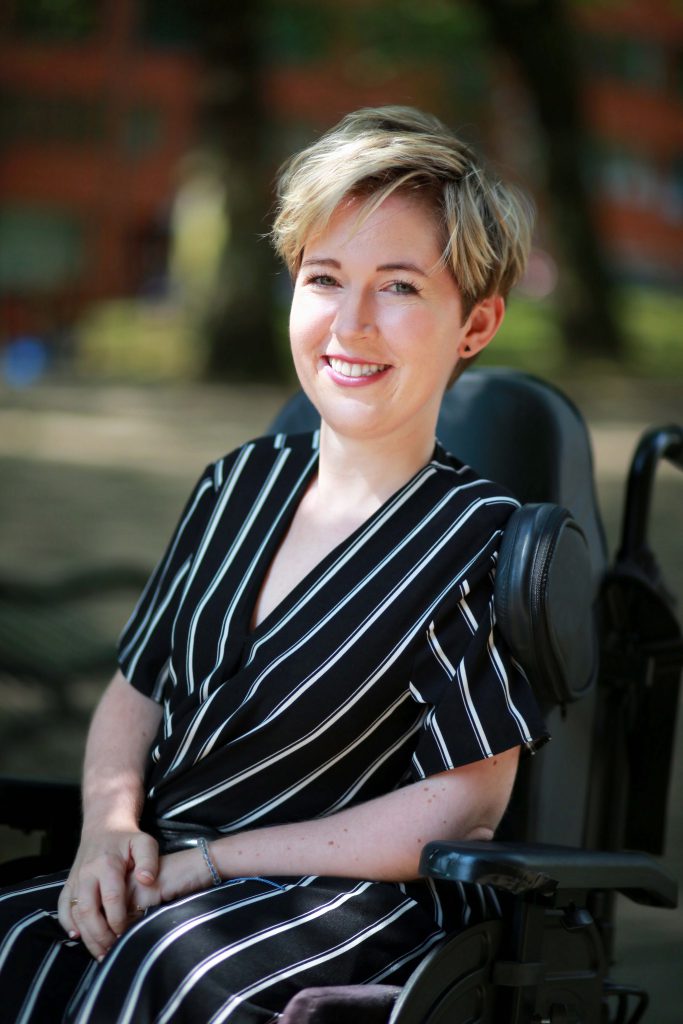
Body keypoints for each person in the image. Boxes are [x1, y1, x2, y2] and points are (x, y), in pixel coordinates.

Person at [0, 106, 547, 1023]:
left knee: (170, 967)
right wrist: (108, 830)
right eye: (324, 278)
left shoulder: (481, 537)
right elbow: (135, 692)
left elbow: (460, 813)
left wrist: (209, 865)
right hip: (166, 865)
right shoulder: (233, 484)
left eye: (401, 287)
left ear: (475, 323)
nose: (352, 322)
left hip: (349, 898)